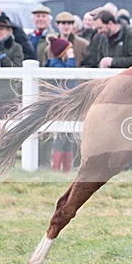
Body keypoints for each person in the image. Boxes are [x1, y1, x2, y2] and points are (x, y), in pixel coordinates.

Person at [44, 36, 77, 173]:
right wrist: (71, 58)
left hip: (68, 103)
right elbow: (68, 72)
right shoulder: (54, 64)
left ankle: (66, 168)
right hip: (61, 104)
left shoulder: (58, 63)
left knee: (68, 136)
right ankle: (57, 167)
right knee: (62, 136)